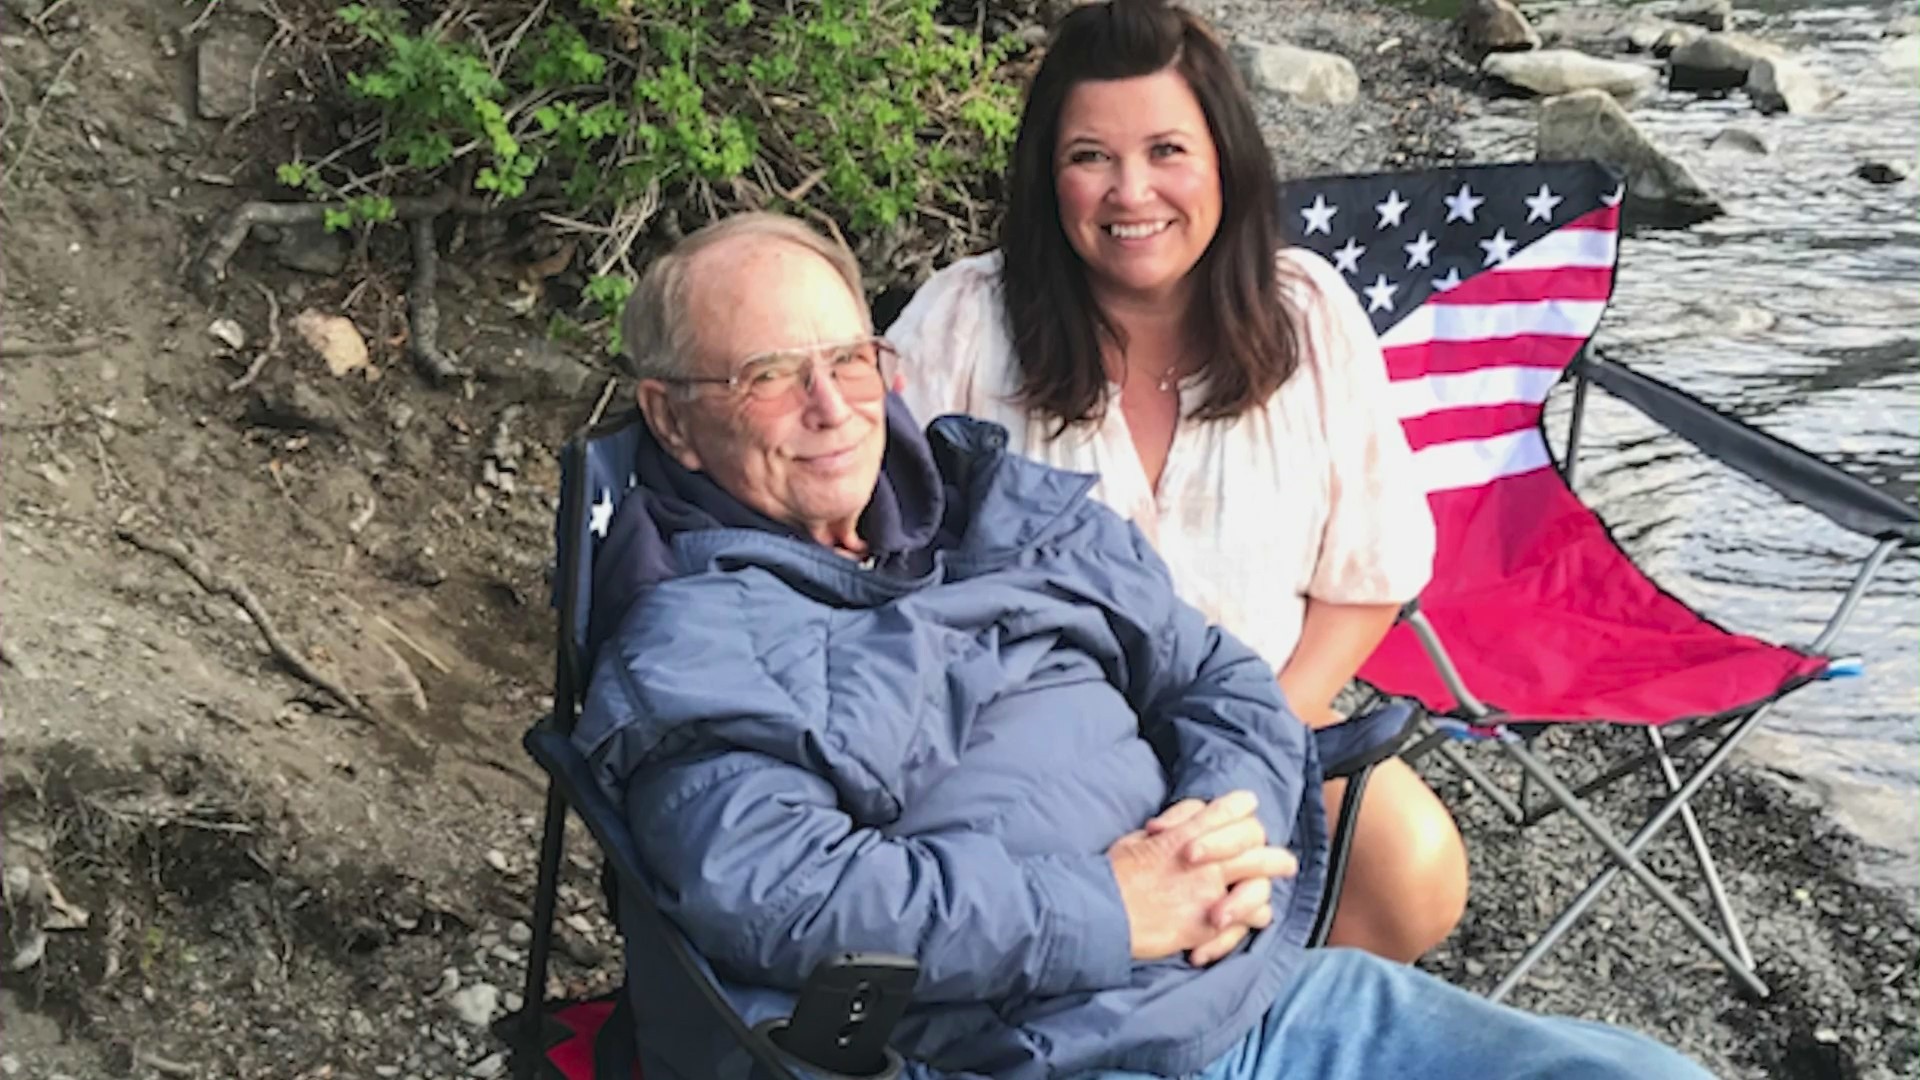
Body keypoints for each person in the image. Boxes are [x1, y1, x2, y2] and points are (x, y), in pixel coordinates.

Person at [575, 211, 1711, 1079]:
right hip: (1033, 1050)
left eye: (851, 359)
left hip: (1253, 994)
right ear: (672, 416)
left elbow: (1215, 675)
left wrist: (1229, 839)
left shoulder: (1003, 508)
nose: (832, 406)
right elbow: (782, 894)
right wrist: (1109, 906)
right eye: (770, 376)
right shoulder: (692, 640)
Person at [886, 0, 1466, 963]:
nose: (1130, 192)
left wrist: (1257, 744)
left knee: (1415, 868)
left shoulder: (1309, 315)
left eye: (1166, 150)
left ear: (1223, 162)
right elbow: (880, 553)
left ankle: (1264, 1024)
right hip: (1029, 744)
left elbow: (1370, 575)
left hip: (1266, 714)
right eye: (1090, 158)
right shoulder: (961, 323)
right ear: (1047, 175)